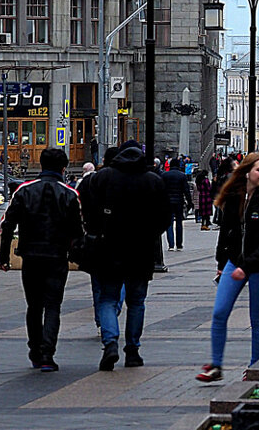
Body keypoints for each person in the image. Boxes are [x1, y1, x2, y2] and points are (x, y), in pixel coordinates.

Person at [77, 139, 171, 371]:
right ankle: (132, 350)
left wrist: (98, 230)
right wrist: (149, 234)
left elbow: (87, 209)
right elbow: (164, 217)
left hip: (108, 248)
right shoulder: (153, 180)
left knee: (108, 299)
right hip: (141, 251)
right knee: (137, 302)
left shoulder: (102, 177)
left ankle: (110, 343)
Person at [197, 154, 259, 382]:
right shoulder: (235, 195)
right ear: (247, 172)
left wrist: (247, 267)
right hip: (235, 262)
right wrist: (221, 264)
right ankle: (216, 366)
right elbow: (226, 231)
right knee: (219, 313)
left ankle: (254, 368)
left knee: (257, 318)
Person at [0, 148, 83, 372]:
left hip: (31, 256)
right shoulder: (69, 194)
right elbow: (77, 230)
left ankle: (35, 350)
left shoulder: (24, 191)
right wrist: (75, 255)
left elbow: (7, 224)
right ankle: (48, 353)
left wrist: (4, 255)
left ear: (41, 165)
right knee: (53, 305)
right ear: (63, 168)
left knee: (33, 306)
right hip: (56, 257)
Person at [161, 160, 194, 251]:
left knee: (169, 223)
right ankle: (179, 244)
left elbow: (161, 189)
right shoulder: (182, 175)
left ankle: (171, 245)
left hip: (168, 202)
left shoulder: (164, 175)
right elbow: (186, 190)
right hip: (179, 201)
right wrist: (189, 202)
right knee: (179, 222)